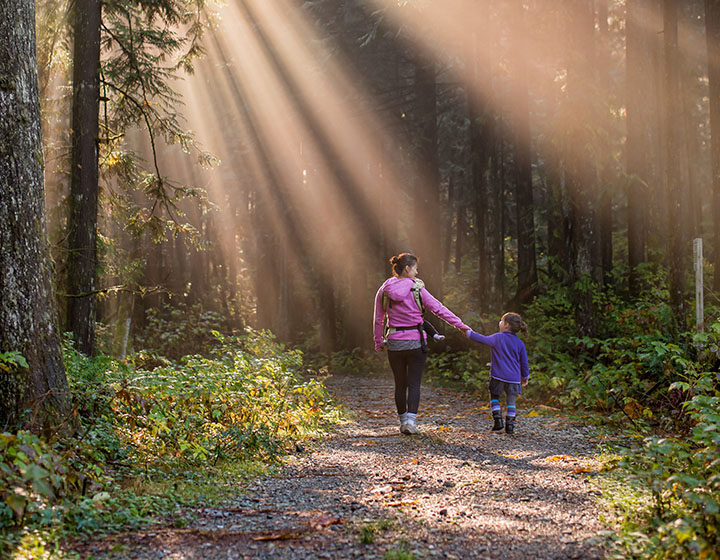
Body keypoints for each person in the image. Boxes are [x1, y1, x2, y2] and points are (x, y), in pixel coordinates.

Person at [374, 253, 470, 435]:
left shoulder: (384, 289)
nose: (417, 272)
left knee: (400, 384)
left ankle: (403, 422)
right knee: (414, 383)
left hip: (394, 343)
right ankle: (411, 422)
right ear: (408, 269)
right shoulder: (417, 289)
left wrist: (379, 341)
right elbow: (439, 309)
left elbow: (378, 318)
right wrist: (461, 326)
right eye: (416, 268)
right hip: (416, 343)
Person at [465, 312, 529, 435]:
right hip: (514, 378)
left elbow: (481, 339)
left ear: (506, 325)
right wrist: (525, 377)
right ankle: (510, 426)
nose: (499, 323)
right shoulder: (520, 343)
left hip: (498, 376)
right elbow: (524, 362)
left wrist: (467, 332)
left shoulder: (497, 338)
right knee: (511, 402)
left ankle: (498, 421)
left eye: (501, 321)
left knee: (494, 397)